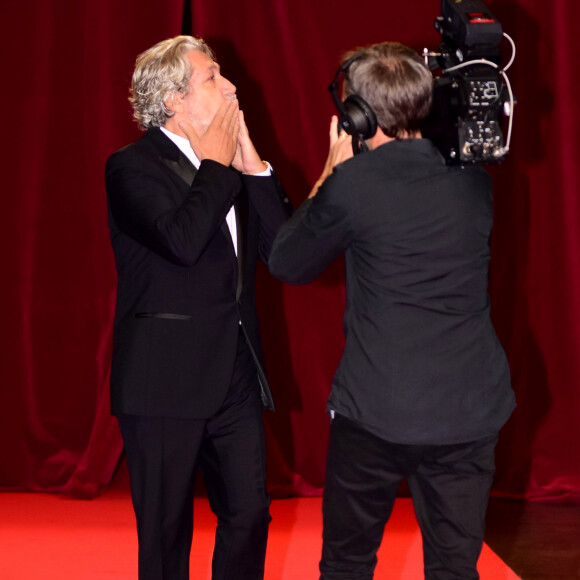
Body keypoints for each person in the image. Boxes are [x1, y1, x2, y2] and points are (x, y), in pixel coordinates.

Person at [268, 41, 515, 580]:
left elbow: (286, 260)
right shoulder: (475, 184)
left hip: (376, 413)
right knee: (455, 568)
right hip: (469, 410)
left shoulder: (353, 186)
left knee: (347, 565)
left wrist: (331, 174)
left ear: (356, 117)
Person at [105, 35, 291, 580]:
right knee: (165, 533)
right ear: (174, 100)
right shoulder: (132, 167)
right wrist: (217, 161)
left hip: (233, 370)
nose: (230, 86)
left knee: (250, 513)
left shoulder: (231, 165)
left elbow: (284, 253)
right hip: (161, 377)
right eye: (213, 77)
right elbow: (182, 241)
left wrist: (251, 163)